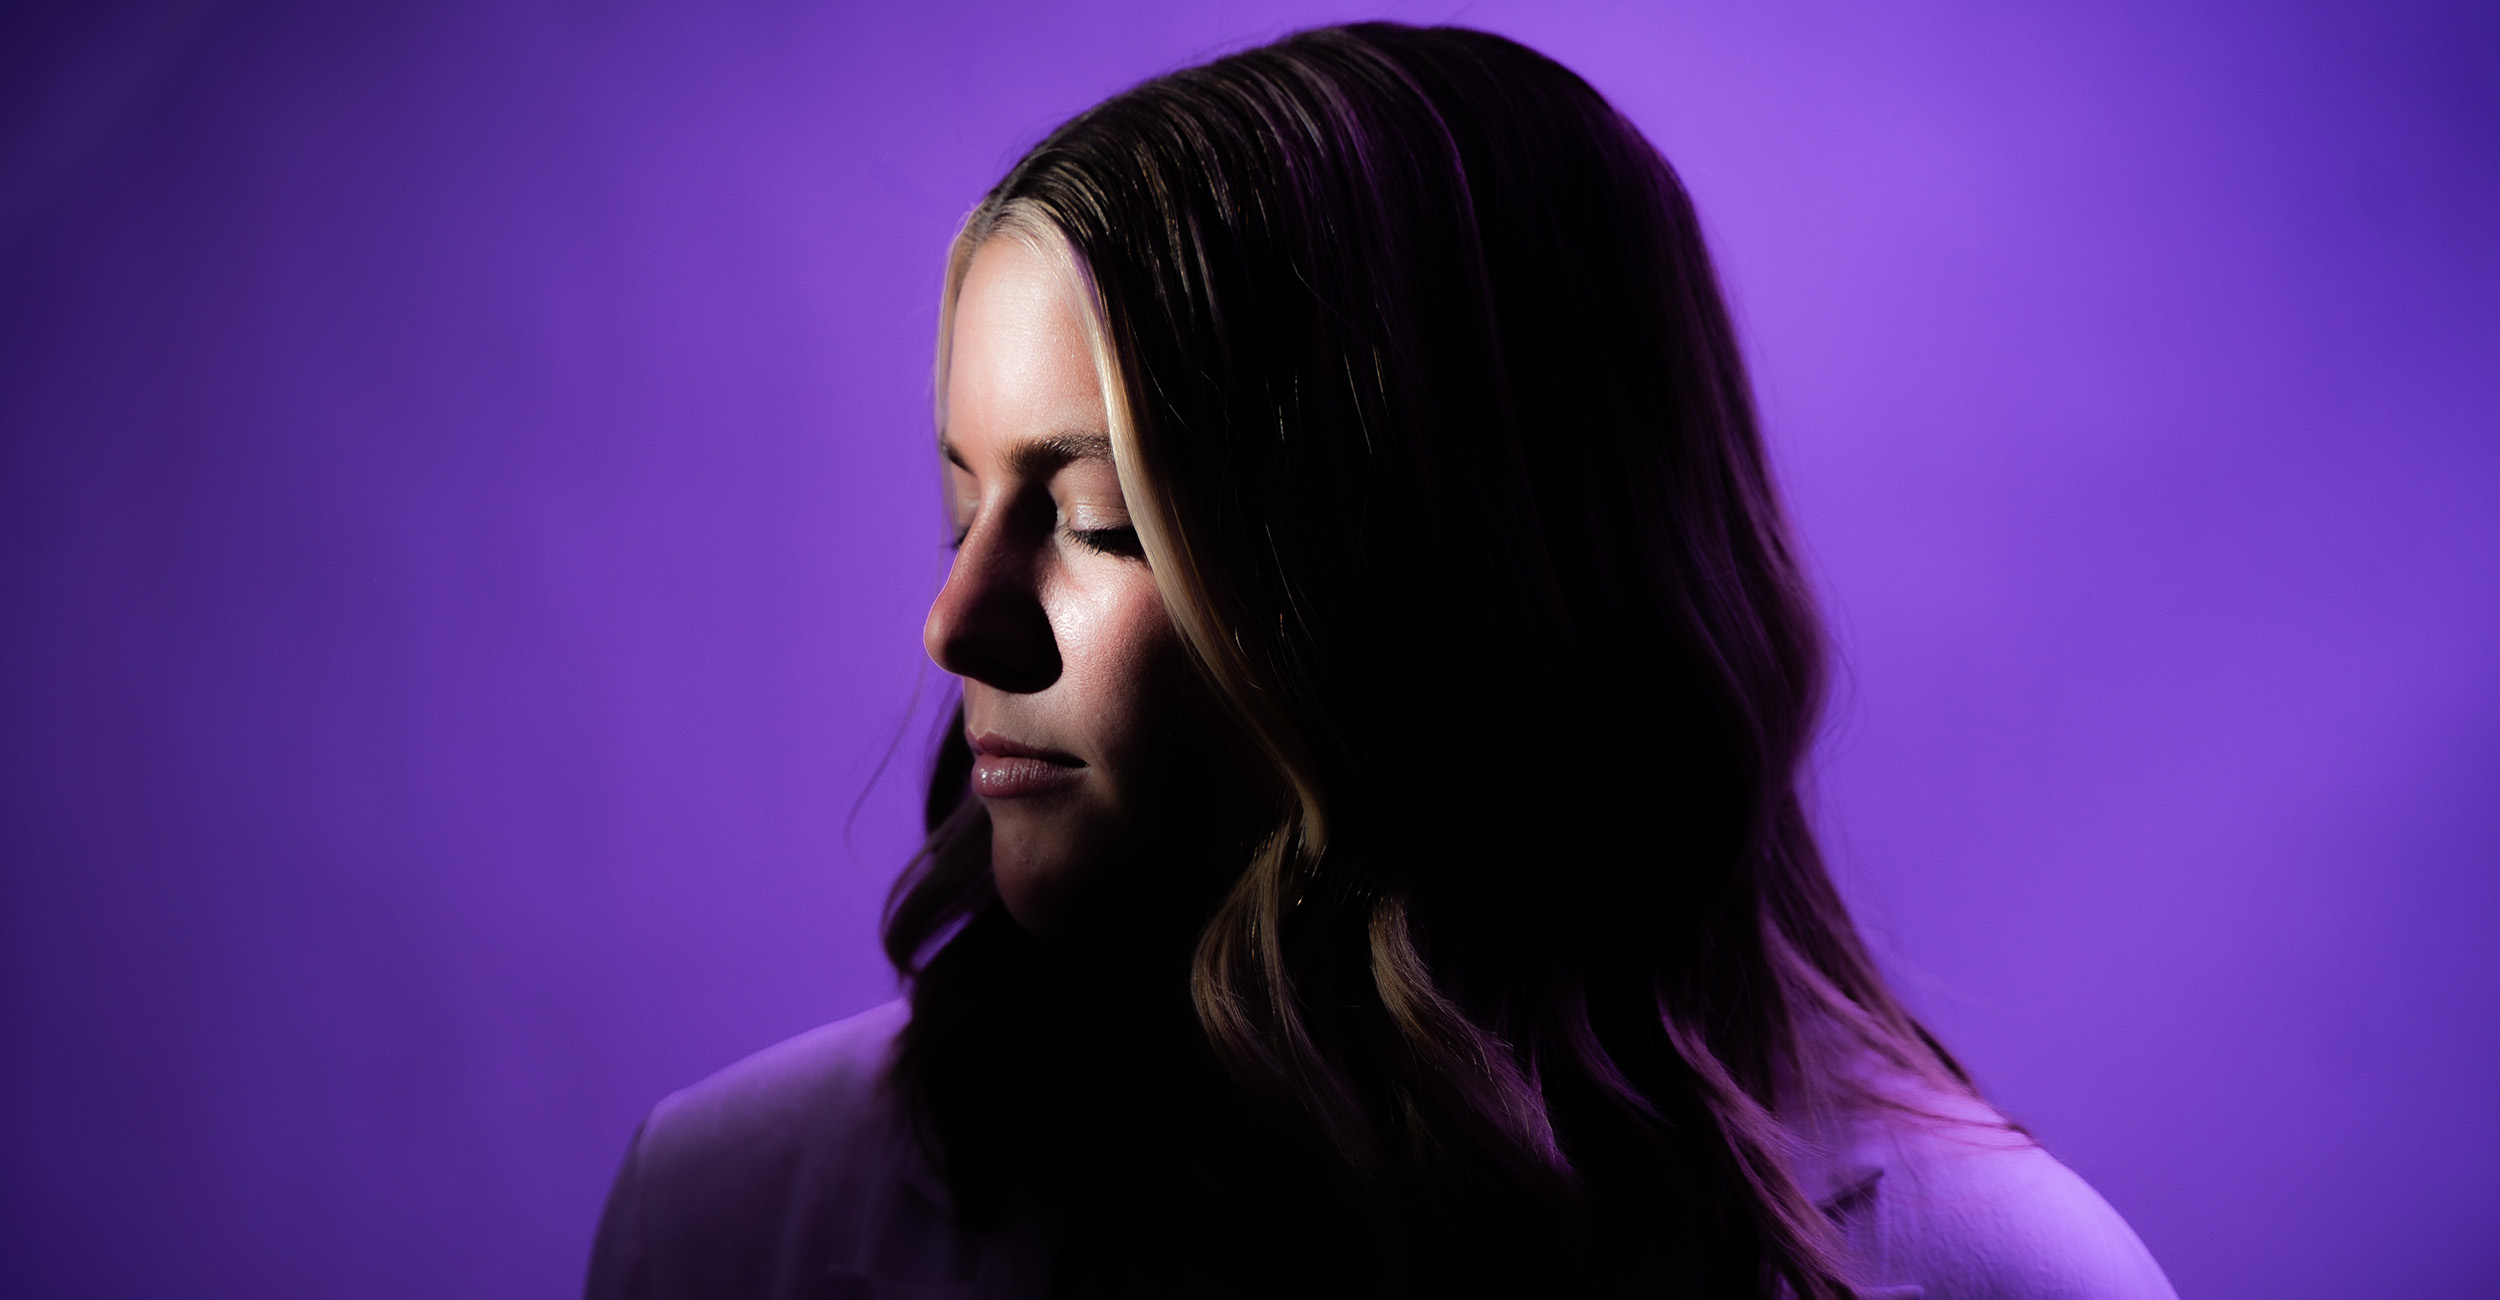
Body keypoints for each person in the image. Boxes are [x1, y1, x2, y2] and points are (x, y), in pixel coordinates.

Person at [585, 23, 2177, 1300]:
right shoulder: (727, 1217)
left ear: (1445, 587)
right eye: (961, 508)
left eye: (1099, 520)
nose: (957, 621)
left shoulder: (1998, 1275)